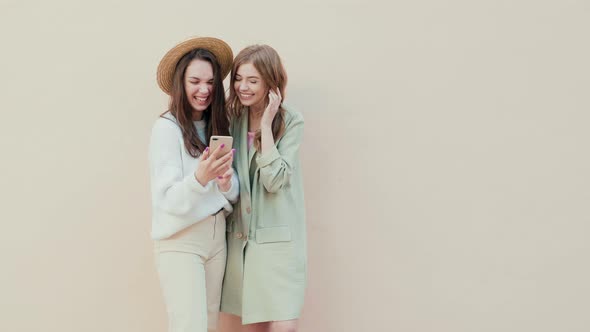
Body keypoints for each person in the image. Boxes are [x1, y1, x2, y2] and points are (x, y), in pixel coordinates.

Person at [149, 36, 238, 332]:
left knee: (211, 327)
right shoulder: (166, 128)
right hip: (181, 241)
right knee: (190, 326)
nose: (204, 90)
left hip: (216, 239)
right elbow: (168, 200)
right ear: (180, 83)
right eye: (195, 81)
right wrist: (201, 178)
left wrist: (225, 182)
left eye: (211, 82)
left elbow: (231, 194)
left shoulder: (217, 126)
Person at [219, 45, 306, 332]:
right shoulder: (232, 119)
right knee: (250, 325)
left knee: (283, 324)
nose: (243, 87)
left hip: (279, 240)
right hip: (242, 240)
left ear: (271, 82)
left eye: (252, 80)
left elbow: (275, 181)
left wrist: (266, 126)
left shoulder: (291, 120)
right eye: (238, 78)